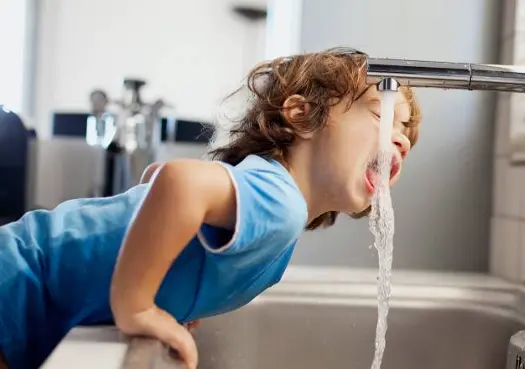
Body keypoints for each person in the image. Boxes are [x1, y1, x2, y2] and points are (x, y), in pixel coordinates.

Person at [0, 47, 422, 369]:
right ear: (301, 115)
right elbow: (177, 182)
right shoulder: (281, 203)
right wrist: (139, 305)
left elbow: (153, 177)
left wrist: (173, 291)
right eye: (381, 115)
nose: (400, 139)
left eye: (406, 133)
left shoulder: (266, 193)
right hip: (19, 284)